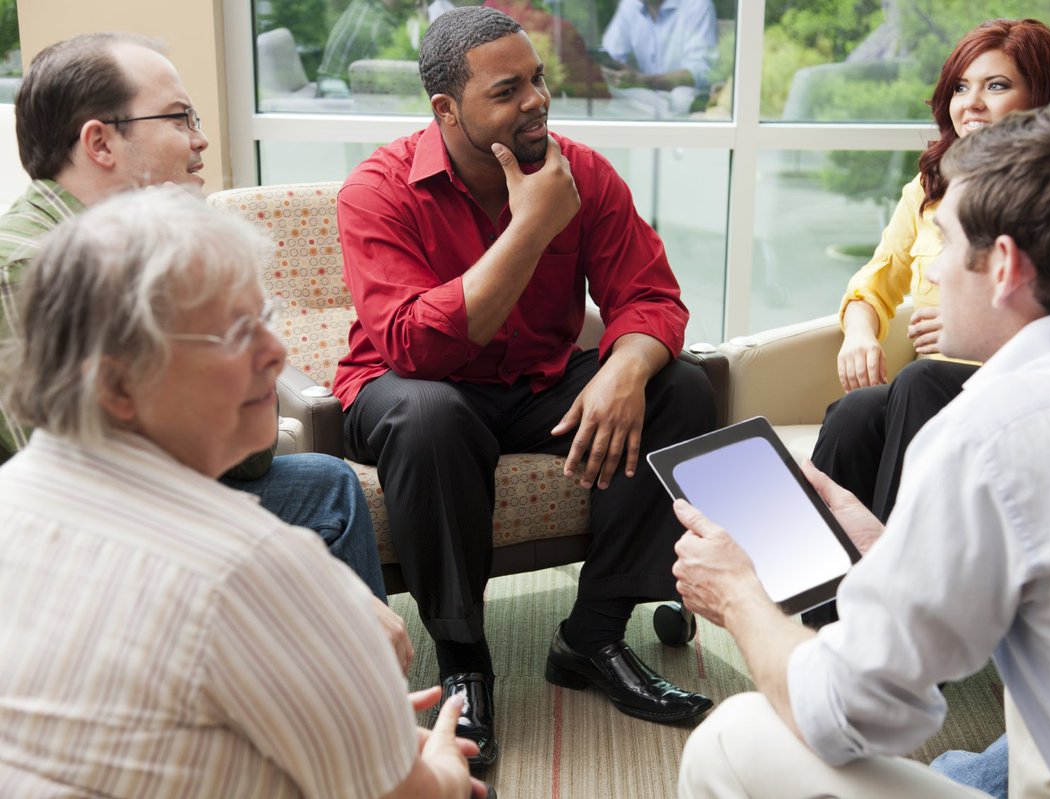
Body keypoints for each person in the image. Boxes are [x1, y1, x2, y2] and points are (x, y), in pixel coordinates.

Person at [671, 101, 1050, 798]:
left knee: (736, 739)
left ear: (1004, 265)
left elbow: (851, 716)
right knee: (985, 760)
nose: (937, 269)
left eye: (945, 243)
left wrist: (737, 594)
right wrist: (886, 544)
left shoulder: (989, 435)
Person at [0, 189, 491, 798]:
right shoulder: (247, 566)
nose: (278, 352)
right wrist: (441, 766)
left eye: (266, 316)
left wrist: (364, 738)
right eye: (234, 332)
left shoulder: (13, 499)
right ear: (116, 382)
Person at [335, 5, 717, 767]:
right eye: (508, 91)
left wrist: (625, 369)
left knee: (684, 387)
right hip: (408, 387)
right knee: (429, 415)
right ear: (447, 109)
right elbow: (413, 343)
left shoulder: (582, 171)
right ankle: (464, 659)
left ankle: (593, 634)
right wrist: (531, 227)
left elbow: (650, 297)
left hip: (537, 380)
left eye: (537, 80)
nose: (537, 100)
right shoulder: (377, 190)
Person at [0, 32, 390, 606]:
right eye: (180, 118)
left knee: (325, 486)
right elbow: (74, 495)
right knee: (322, 498)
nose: (201, 139)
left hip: (148, 493)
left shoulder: (147, 251)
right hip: (85, 544)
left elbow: (248, 453)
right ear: (100, 143)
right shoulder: (30, 270)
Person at [811, 19, 1050, 523]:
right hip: (929, 383)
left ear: (1040, 98)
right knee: (854, 413)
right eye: (961, 86)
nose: (971, 103)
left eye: (996, 86)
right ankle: (814, 592)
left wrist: (981, 335)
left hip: (1022, 384)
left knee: (921, 379)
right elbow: (877, 278)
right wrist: (859, 335)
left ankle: (900, 583)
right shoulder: (929, 187)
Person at [599, 0, 717, 114]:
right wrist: (612, 73)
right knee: (603, 93)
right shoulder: (630, 4)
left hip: (684, 97)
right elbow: (610, 54)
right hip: (645, 96)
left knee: (682, 97)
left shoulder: (697, 4)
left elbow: (700, 73)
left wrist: (640, 80)